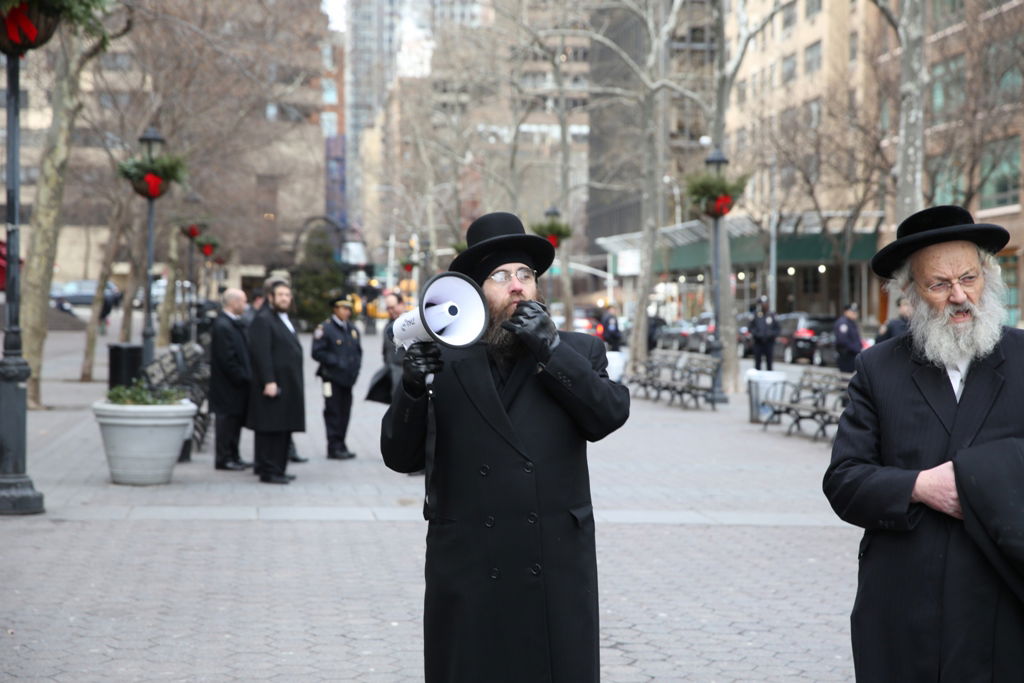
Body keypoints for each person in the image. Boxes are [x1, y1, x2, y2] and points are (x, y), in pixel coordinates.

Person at [380, 211, 630, 683]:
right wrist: (412, 387)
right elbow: (399, 456)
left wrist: (551, 350)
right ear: (473, 292)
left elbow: (608, 416)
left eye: (526, 275)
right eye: (501, 276)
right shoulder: (445, 359)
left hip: (552, 563)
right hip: (471, 563)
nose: (517, 286)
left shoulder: (576, 351)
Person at [823, 205, 1024, 681]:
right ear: (909, 294)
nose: (960, 296)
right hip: (904, 604)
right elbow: (844, 480)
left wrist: (976, 478)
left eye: (969, 278)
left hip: (1002, 601)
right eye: (939, 285)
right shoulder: (878, 368)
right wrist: (917, 486)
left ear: (987, 277)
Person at [246, 281, 305, 484]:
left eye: (287, 295)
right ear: (270, 297)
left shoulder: (284, 319)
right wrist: (269, 380)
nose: (284, 298)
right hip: (274, 385)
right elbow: (261, 354)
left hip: (288, 385)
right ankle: (269, 470)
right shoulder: (263, 319)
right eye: (280, 294)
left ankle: (279, 468)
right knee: (271, 428)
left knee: (283, 428)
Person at [312, 294, 362, 460]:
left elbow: (358, 353)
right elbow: (317, 352)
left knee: (345, 413)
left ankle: (341, 443)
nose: (347, 312)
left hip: (348, 380)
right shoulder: (325, 328)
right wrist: (337, 362)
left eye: (349, 308)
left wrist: (355, 370)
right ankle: (333, 446)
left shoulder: (352, 329)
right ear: (335, 309)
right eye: (343, 308)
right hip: (331, 378)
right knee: (333, 411)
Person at [208, 288, 253, 471]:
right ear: (233, 303)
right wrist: (242, 377)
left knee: (235, 422)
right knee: (226, 423)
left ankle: (234, 455)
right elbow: (227, 358)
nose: (245, 305)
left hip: (235, 385)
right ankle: (224, 458)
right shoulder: (223, 325)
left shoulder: (232, 323)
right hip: (227, 386)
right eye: (243, 301)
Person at [750, 295, 780, 371]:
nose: (764, 305)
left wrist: (771, 334)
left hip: (769, 342)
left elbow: (777, 329)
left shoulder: (772, 315)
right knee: (757, 362)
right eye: (762, 303)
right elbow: (751, 327)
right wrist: (756, 334)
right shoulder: (756, 315)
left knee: (769, 362)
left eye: (765, 303)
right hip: (758, 342)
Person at [833, 302, 862, 372]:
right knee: (845, 380)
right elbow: (842, 340)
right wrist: (855, 348)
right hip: (846, 356)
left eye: (856, 312)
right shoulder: (843, 323)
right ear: (846, 312)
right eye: (852, 312)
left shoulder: (851, 323)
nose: (855, 314)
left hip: (853, 356)